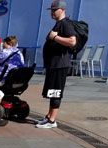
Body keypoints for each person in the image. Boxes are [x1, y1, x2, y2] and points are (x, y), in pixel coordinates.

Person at [37, 0, 76, 129]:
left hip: (60, 64)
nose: (52, 12)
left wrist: (55, 38)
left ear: (62, 10)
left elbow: (72, 41)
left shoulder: (66, 24)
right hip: (53, 64)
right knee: (51, 92)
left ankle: (52, 120)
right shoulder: (59, 24)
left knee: (56, 92)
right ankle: (49, 116)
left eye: (55, 10)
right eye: (52, 10)